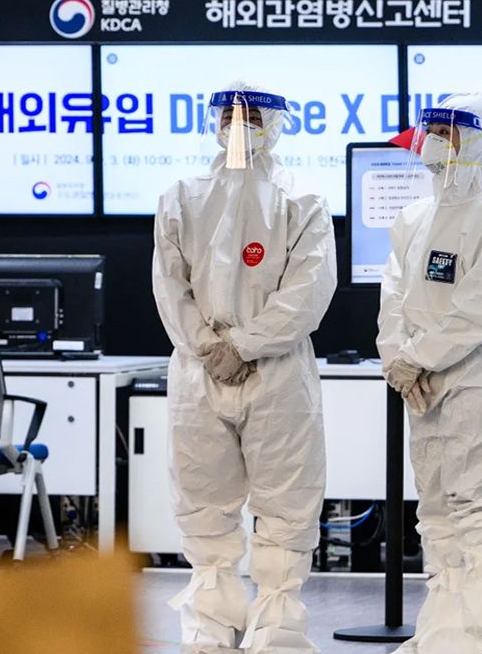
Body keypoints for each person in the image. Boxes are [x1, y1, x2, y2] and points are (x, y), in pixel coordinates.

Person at [152, 82, 335, 654]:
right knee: (203, 499)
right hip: (199, 371)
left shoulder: (301, 199)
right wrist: (209, 346)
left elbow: (309, 290)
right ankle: (210, 617)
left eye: (252, 115)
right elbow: (169, 284)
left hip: (276, 373)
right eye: (229, 114)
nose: (239, 124)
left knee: (285, 500)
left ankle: (278, 621)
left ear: (276, 124)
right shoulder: (182, 195)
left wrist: (247, 344)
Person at [377, 93, 482, 654]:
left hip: (478, 379)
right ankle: (454, 635)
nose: (440, 140)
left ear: (481, 140)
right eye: (434, 128)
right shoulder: (414, 217)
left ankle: (476, 639)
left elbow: (481, 305)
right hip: (421, 385)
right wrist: (396, 359)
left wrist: (417, 357)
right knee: (439, 516)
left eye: (453, 130)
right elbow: (393, 295)